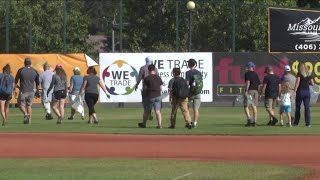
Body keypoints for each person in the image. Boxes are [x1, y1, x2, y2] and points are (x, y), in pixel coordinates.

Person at [15, 57, 40, 124]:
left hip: (23, 90)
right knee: (29, 105)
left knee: (20, 104)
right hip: (31, 91)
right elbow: (37, 83)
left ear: (24, 63)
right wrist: (38, 91)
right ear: (30, 63)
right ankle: (29, 121)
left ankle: (26, 114)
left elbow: (16, 81)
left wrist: (15, 88)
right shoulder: (35, 71)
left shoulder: (20, 70)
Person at [138, 64, 163, 128]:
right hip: (158, 95)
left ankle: (144, 123)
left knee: (146, 111)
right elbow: (161, 88)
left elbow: (145, 88)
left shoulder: (147, 78)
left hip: (150, 96)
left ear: (149, 70)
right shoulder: (158, 77)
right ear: (154, 70)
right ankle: (159, 125)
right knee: (157, 111)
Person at [135, 56, 158, 121]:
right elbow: (157, 77)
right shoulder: (155, 68)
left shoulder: (143, 68)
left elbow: (139, 78)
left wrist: (136, 85)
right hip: (153, 88)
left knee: (145, 103)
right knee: (152, 101)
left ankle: (147, 114)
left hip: (145, 88)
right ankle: (151, 111)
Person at [293, 62, 314, 127]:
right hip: (307, 92)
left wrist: (295, 90)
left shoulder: (299, 74)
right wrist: (307, 83)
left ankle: (296, 123)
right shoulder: (309, 74)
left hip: (300, 91)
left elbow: (297, 82)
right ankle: (308, 123)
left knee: (298, 107)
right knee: (307, 108)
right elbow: (312, 83)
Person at [185, 58, 203, 128]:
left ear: (189, 64)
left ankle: (189, 122)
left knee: (185, 106)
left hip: (191, 92)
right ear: (195, 64)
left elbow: (187, 83)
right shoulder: (199, 72)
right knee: (196, 109)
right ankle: (195, 123)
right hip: (198, 92)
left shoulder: (188, 72)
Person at [243, 62, 261, 127]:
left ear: (249, 67)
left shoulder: (247, 73)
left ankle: (249, 120)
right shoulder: (256, 74)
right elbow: (259, 84)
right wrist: (258, 93)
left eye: (247, 66)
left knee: (246, 106)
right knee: (254, 106)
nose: (246, 68)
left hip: (250, 91)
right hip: (256, 91)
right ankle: (255, 121)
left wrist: (246, 90)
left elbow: (248, 82)